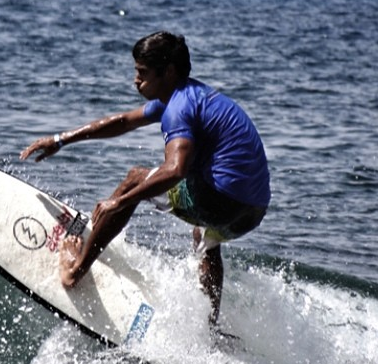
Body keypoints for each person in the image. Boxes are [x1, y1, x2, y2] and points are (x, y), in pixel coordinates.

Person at [20, 31, 270, 331]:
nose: (136, 81)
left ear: (169, 71)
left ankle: (74, 271)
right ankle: (209, 326)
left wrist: (122, 200)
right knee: (203, 236)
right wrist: (61, 140)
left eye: (142, 73)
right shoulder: (189, 96)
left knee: (134, 178)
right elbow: (124, 121)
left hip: (221, 202)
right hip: (251, 212)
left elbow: (175, 170)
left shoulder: (180, 108)